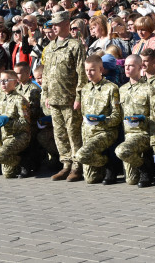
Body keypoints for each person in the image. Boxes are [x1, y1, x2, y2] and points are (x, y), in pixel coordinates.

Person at [42, 11, 88, 182]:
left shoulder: (75, 45)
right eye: (52, 24)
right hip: (54, 98)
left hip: (69, 99)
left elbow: (81, 73)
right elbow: (46, 73)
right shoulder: (50, 47)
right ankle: (66, 164)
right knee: (60, 134)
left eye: (57, 23)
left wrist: (78, 97)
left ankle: (77, 166)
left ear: (67, 23)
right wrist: (46, 93)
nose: (53, 26)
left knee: (73, 133)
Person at [74, 55, 121, 184]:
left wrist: (102, 120)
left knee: (81, 155)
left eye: (92, 70)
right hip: (89, 133)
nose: (89, 73)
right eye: (87, 70)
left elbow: (117, 116)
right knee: (91, 179)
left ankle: (109, 164)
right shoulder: (85, 89)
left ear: (101, 69)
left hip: (105, 132)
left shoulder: (112, 88)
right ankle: (101, 166)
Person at [115, 55, 155, 187]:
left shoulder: (149, 89)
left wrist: (143, 119)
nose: (127, 68)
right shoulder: (122, 89)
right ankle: (142, 162)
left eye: (131, 65)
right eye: (125, 65)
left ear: (140, 67)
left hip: (143, 133)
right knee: (131, 180)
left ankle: (145, 167)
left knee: (121, 151)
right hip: (127, 134)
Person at [0, 70, 30, 179]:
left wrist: (9, 122)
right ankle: (16, 162)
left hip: (18, 136)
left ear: (15, 82)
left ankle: (23, 162)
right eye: (1, 81)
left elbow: (25, 123)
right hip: (4, 137)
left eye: (6, 80)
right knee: (7, 174)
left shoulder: (20, 100)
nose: (2, 83)